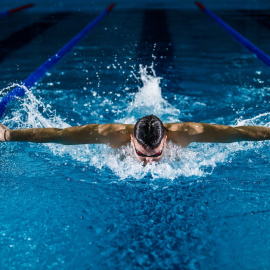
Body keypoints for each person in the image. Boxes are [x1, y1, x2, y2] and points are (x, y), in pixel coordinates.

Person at [1, 114, 270, 165]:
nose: (148, 163)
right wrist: (8, 135)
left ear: (166, 139)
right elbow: (59, 136)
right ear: (131, 139)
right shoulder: (110, 134)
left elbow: (236, 133)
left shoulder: (189, 132)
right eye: (142, 155)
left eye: (155, 155)